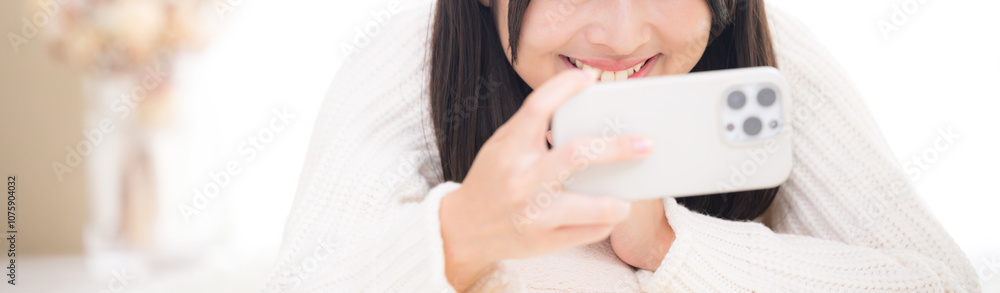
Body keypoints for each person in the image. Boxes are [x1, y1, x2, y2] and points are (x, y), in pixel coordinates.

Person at [263, 0, 980, 291]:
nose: (623, 36)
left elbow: (937, 281)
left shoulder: (770, 62)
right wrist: (460, 235)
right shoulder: (411, 63)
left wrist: (669, 244)